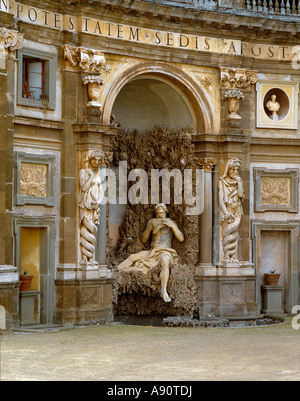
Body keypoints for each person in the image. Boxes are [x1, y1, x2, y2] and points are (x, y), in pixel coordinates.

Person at [118, 203, 184, 302]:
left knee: (165, 262)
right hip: (152, 251)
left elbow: (181, 239)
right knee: (133, 257)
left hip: (165, 250)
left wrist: (172, 226)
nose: (160, 215)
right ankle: (116, 271)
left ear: (166, 212)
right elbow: (144, 239)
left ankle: (163, 290)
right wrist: (150, 228)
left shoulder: (171, 223)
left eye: (162, 213)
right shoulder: (151, 222)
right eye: (158, 213)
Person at [78, 150, 104, 265]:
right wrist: (91, 176)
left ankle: (91, 258)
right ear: (90, 159)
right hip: (86, 204)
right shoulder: (84, 172)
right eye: (95, 159)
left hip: (94, 206)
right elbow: (83, 187)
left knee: (93, 230)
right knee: (86, 229)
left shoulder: (98, 174)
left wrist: (98, 202)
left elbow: (101, 191)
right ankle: (84, 258)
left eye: (99, 160)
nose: (97, 162)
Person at [218, 158, 244, 264]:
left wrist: (239, 183)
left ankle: (232, 257)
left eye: (237, 169)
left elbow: (241, 195)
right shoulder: (222, 181)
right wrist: (226, 213)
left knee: (234, 233)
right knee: (227, 233)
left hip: (237, 210)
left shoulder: (239, 181)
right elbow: (220, 199)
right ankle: (226, 258)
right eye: (233, 169)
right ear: (228, 170)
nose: (235, 172)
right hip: (227, 211)